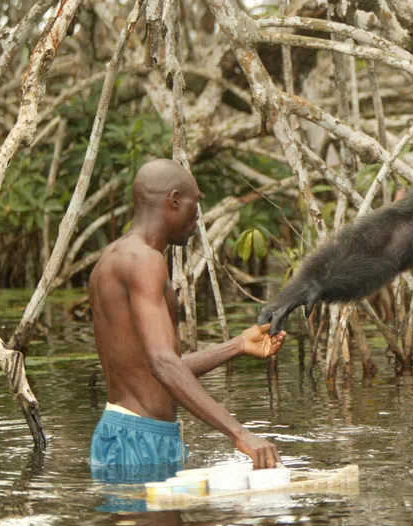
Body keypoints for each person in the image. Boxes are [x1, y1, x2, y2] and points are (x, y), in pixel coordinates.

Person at [87, 158, 286, 476]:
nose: (198, 216)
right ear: (175, 200)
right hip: (140, 441)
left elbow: (152, 368)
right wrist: (240, 433)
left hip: (128, 433)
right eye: (197, 203)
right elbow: (164, 364)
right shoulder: (144, 261)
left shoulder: (112, 258)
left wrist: (237, 345)